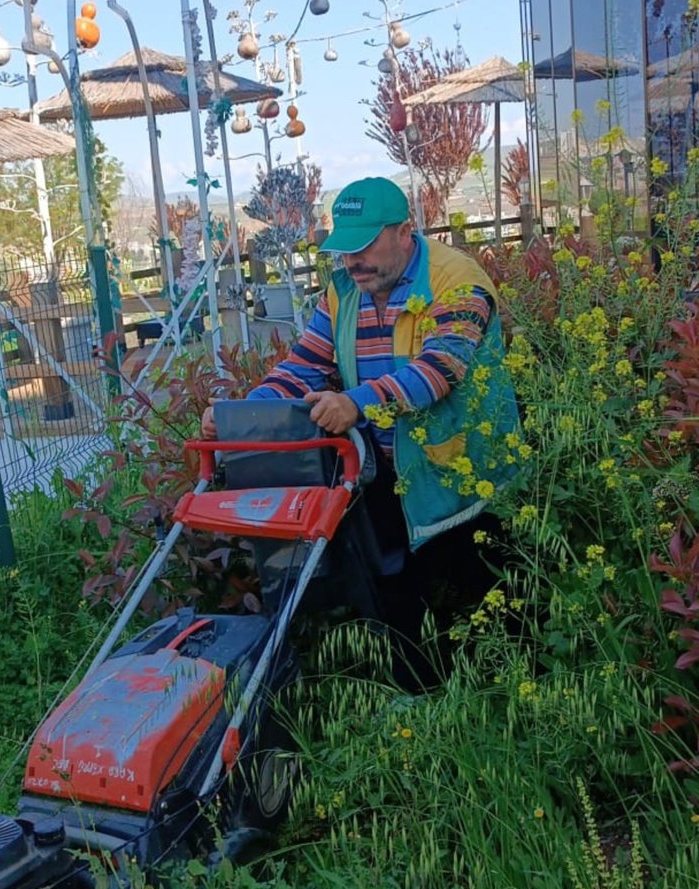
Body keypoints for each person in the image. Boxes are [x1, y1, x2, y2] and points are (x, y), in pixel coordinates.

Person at [202, 176, 521, 685]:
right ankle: (418, 698)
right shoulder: (343, 290)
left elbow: (441, 368)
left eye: (365, 245)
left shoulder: (458, 280)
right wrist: (244, 413)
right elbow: (304, 366)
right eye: (344, 248)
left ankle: (512, 692)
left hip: (466, 471)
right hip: (385, 469)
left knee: (491, 586)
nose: (353, 261)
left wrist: (356, 403)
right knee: (395, 589)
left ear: (404, 231)